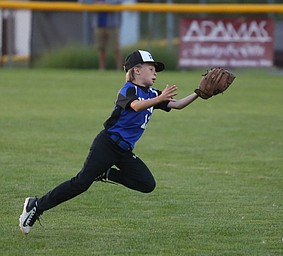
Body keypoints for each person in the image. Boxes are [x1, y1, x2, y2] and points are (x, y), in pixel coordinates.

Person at [19, 50, 199, 234]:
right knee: (80, 183)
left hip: (124, 151)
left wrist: (199, 93)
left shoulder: (153, 93)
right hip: (107, 145)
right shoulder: (129, 89)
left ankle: (107, 173)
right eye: (151, 68)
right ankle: (36, 205)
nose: (155, 73)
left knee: (147, 184)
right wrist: (159, 99)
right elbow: (136, 106)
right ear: (137, 70)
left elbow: (177, 104)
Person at [94, 0, 122, 70]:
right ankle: (101, 69)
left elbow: (119, 2)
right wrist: (95, 3)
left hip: (112, 25)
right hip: (99, 24)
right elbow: (83, 2)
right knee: (101, 49)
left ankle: (120, 69)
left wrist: (106, 4)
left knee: (116, 48)